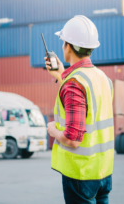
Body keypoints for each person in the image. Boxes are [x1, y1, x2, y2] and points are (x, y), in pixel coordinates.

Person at [45, 15, 114, 204]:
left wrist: (53, 130)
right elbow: (86, 108)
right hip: (103, 172)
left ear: (68, 46)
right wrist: (60, 75)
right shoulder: (103, 79)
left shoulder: (74, 83)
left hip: (81, 175)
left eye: (63, 42)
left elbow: (72, 138)